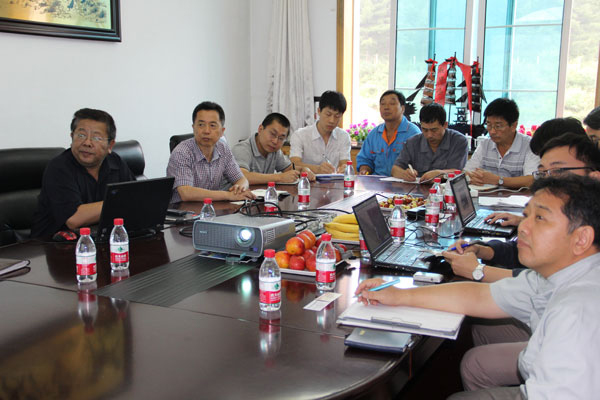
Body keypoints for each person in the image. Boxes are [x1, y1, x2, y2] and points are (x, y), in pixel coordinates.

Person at [357, 175, 600, 399]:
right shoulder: (554, 274)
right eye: (526, 216)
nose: (523, 227)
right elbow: (479, 296)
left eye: (540, 218)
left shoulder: (577, 312)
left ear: (581, 239)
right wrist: (399, 295)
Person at [31, 108, 134, 238]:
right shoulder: (59, 167)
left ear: (110, 145)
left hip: (100, 239)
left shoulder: (116, 162)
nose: (87, 143)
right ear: (71, 137)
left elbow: (135, 198)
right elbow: (74, 219)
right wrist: (120, 202)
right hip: (51, 245)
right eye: (81, 135)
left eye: (96, 138)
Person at [167, 101, 255, 203]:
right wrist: (228, 195)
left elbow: (242, 179)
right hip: (183, 210)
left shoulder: (223, 148)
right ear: (193, 128)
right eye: (201, 125)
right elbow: (186, 193)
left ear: (222, 131)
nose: (206, 131)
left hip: (212, 208)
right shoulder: (182, 152)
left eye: (212, 125)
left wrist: (239, 188)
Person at [465, 98, 539, 188]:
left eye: (498, 126)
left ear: (514, 125)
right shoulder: (485, 144)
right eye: (489, 125)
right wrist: (472, 178)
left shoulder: (529, 145)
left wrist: (498, 180)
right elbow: (467, 171)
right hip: (487, 195)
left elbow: (531, 180)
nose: (492, 131)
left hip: (517, 196)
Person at [391, 103, 468, 182]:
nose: (429, 135)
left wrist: (440, 174)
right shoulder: (412, 142)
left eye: (434, 130)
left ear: (445, 125)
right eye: (425, 130)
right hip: (417, 188)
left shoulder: (459, 141)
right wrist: (404, 174)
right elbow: (395, 169)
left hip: (447, 188)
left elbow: (459, 172)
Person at [232, 113, 315, 184]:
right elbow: (241, 176)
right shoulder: (242, 149)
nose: (275, 141)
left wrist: (303, 170)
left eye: (281, 138)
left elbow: (289, 169)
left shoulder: (274, 151)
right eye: (272, 134)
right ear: (260, 129)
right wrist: (280, 177)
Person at [356, 90, 421, 176]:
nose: (386, 107)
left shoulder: (413, 133)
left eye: (392, 104)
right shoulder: (374, 134)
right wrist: (364, 170)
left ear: (402, 108)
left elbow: (420, 163)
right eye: (383, 104)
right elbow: (365, 160)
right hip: (376, 182)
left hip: (403, 181)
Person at [289, 91, 351, 174]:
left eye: (337, 116)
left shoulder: (344, 136)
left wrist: (344, 169)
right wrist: (317, 169)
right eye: (328, 114)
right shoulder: (300, 135)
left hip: (334, 181)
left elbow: (344, 163)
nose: (332, 120)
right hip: (307, 181)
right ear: (319, 111)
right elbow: (294, 165)